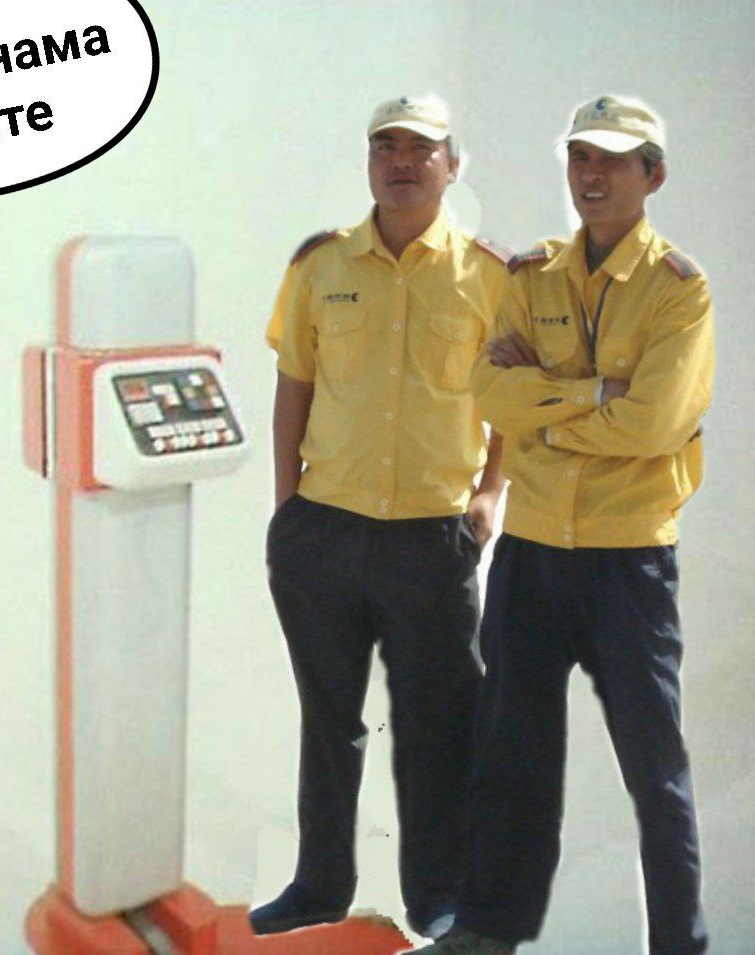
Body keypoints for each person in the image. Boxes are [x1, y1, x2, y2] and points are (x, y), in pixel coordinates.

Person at [424, 96, 713, 955]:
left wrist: (545, 411)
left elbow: (654, 424)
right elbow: (491, 394)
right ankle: (488, 928)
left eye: (613, 160)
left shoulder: (679, 291)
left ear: (652, 176)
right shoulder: (533, 276)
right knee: (509, 753)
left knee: (655, 770)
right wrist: (594, 395)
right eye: (581, 157)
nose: (592, 175)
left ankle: (680, 942)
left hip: (631, 561)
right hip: (534, 553)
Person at [252, 95, 509, 940]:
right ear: (369, 161)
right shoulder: (320, 266)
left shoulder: (490, 277)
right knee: (329, 719)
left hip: (434, 539)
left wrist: (491, 493)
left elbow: (514, 401)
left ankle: (437, 894)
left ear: (452, 165)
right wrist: (287, 509)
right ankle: (320, 884)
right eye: (385, 146)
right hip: (324, 530)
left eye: (420, 148)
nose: (401, 161)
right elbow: (294, 386)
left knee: (439, 726)